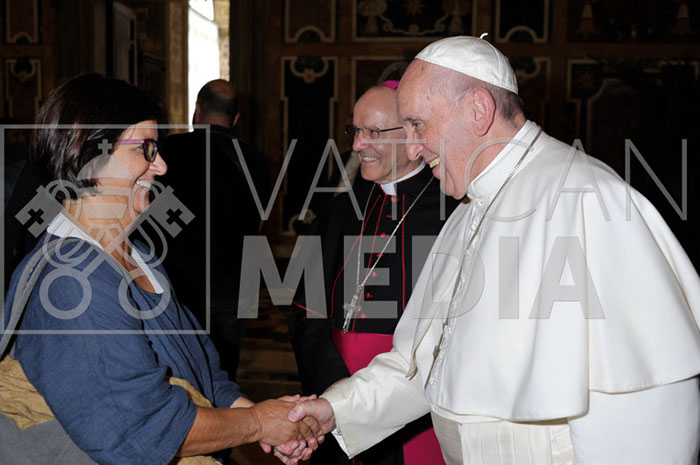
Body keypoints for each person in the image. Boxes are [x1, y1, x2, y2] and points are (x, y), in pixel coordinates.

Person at [285, 36, 700, 464]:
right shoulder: (468, 212)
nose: (411, 149)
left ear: (478, 109)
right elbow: (422, 364)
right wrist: (335, 410)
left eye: (418, 125)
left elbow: (647, 409)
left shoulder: (586, 199)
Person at [0, 74, 319, 464]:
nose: (162, 166)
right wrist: (257, 423)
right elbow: (143, 432)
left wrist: (267, 420)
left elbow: (201, 366)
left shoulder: (139, 254)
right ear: (88, 156)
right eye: (145, 149)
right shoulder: (73, 283)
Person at [289, 80, 459, 465]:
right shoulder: (339, 209)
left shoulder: (453, 211)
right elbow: (304, 308)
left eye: (374, 132)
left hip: (418, 404)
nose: (357, 144)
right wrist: (335, 386)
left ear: (413, 136)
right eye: (355, 130)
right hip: (334, 390)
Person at [159, 79, 270, 382]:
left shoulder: (167, 152)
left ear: (197, 111)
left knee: (177, 369)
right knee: (223, 372)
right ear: (236, 118)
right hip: (234, 285)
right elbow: (259, 223)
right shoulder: (255, 160)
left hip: (176, 283)